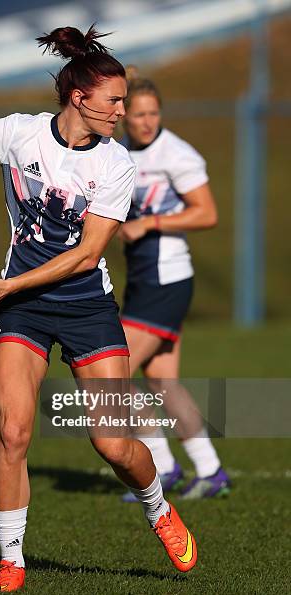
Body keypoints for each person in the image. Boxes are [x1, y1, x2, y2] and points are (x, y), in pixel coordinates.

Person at [0, 27, 197, 593]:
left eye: (123, 100)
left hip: (85, 305)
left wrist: (5, 283)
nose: (121, 110)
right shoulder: (19, 134)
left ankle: (158, 507)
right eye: (113, 99)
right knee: (13, 431)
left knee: (113, 443)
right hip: (20, 309)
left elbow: (87, 253)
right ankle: (11, 558)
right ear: (79, 98)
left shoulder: (117, 164)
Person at [118, 70, 231, 501]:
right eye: (138, 113)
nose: (147, 121)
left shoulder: (177, 154)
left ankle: (161, 466)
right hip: (143, 280)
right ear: (124, 114)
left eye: (154, 113)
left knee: (114, 374)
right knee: (163, 382)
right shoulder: (122, 150)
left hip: (168, 280)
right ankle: (210, 470)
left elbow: (207, 213)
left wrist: (151, 222)